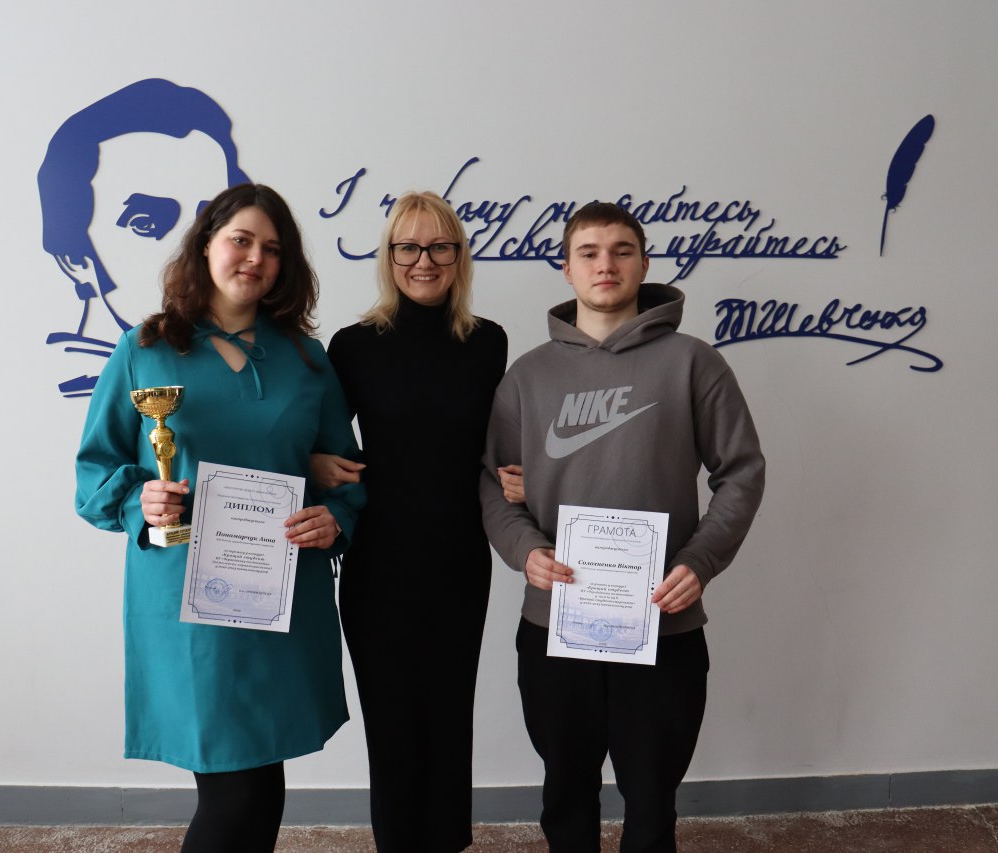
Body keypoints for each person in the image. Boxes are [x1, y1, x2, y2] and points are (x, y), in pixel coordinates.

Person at [75, 183, 365, 853]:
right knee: (233, 791)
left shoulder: (306, 360)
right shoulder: (144, 349)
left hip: (281, 593)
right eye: (241, 240)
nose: (256, 258)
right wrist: (139, 501)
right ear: (206, 244)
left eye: (273, 248)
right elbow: (94, 475)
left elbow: (347, 475)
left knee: (263, 785)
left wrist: (334, 520)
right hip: (190, 603)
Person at [480, 202, 765, 852]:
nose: (604, 264)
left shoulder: (694, 363)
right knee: (566, 795)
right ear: (567, 267)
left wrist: (699, 560)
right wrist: (524, 550)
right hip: (556, 624)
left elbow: (742, 472)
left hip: (663, 623)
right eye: (588, 252)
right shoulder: (527, 376)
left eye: (621, 250)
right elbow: (492, 483)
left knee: (652, 802)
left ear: (643, 263)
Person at [311, 191, 508, 852]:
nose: (424, 261)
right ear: (389, 256)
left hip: (460, 559)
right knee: (392, 725)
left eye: (439, 246)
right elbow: (321, 438)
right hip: (379, 564)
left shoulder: (489, 342)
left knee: (449, 717)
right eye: (409, 247)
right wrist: (313, 462)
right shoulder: (353, 346)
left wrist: (515, 473)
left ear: (459, 255)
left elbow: (495, 445)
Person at [38, 78, 250, 397]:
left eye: (210, 222)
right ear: (74, 258)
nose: (194, 246)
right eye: (147, 223)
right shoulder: (84, 385)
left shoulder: (256, 369)